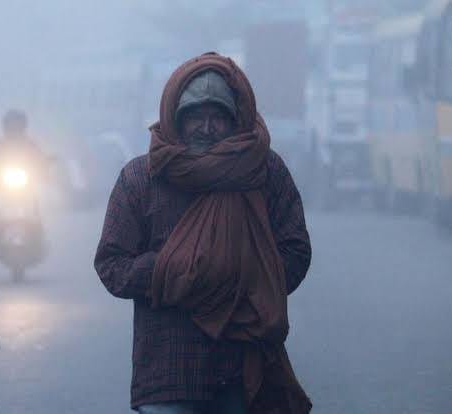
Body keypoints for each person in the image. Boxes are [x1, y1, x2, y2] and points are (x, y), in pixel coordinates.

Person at [94, 52, 313, 414]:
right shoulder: (140, 179)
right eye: (195, 116)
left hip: (241, 370)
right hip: (168, 374)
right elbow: (111, 265)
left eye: (217, 118)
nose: (206, 128)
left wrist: (245, 285)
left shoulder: (264, 172)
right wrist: (171, 272)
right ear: (175, 119)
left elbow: (295, 250)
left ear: (235, 121)